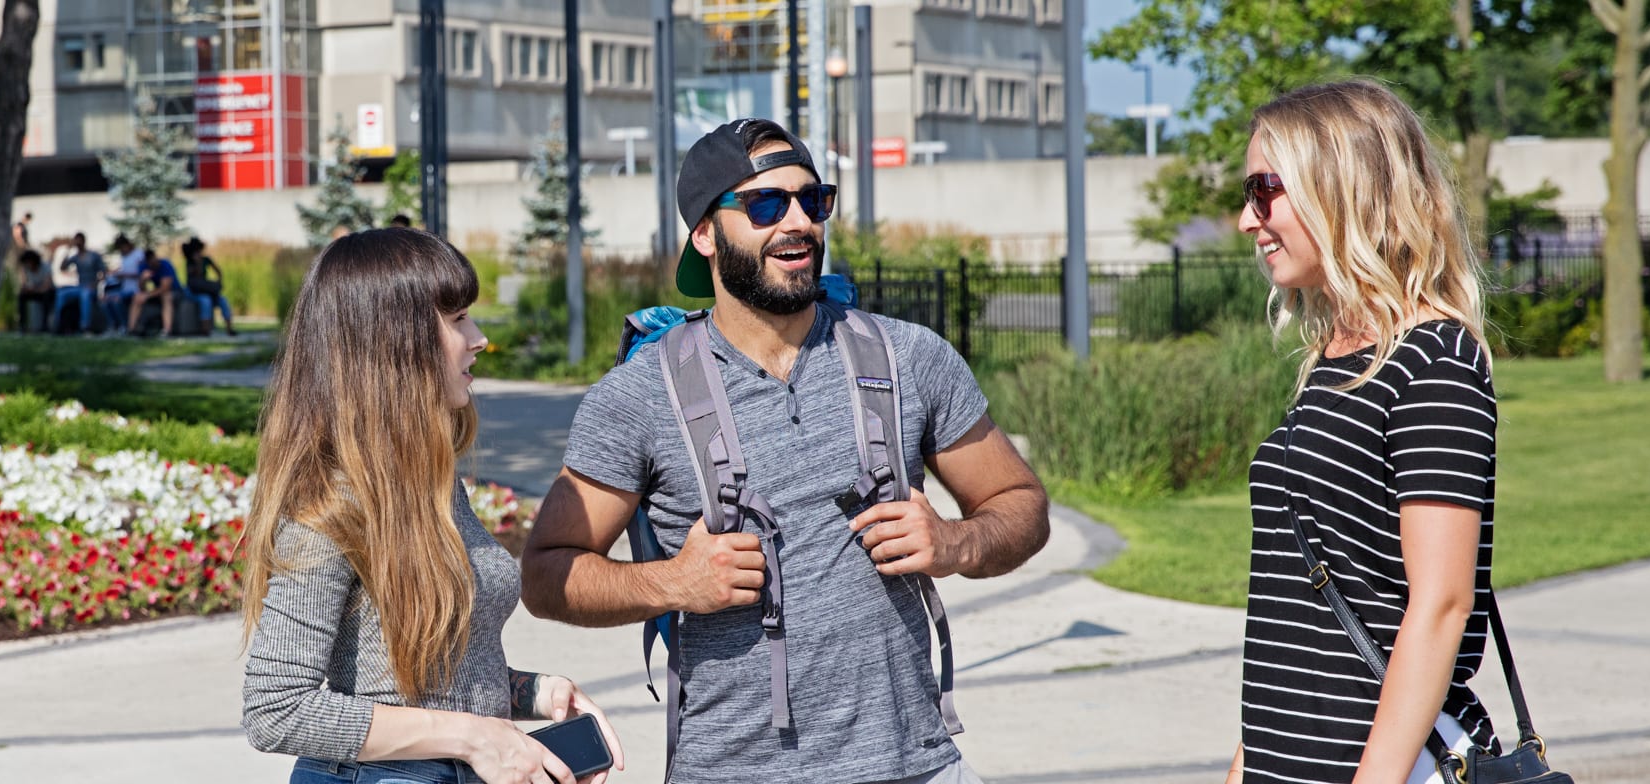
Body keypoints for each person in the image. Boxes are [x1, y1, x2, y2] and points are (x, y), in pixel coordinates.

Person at [519, 118, 1050, 784]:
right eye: (765, 205)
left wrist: (956, 543)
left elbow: (1020, 503)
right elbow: (545, 575)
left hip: (918, 764)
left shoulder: (909, 356)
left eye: (812, 200)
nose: (797, 221)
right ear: (706, 234)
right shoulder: (638, 398)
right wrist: (672, 583)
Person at [243, 228, 625, 784]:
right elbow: (275, 708)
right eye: (457, 319)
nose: (480, 338)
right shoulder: (330, 506)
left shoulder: (433, 483)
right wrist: (477, 738)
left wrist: (534, 693)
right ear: (392, 341)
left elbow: (418, 681)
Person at [1229, 80, 1503, 784]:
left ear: (1341, 188)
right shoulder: (1335, 357)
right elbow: (1300, 604)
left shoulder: (1433, 360)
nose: (1245, 220)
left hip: (1370, 765)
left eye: (1265, 191)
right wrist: (1245, 764)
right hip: (1285, 758)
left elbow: (1441, 604)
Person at [183, 236, 239, 336]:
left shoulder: (206, 259)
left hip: (206, 290)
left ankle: (229, 329)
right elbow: (195, 275)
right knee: (206, 301)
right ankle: (206, 330)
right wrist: (198, 263)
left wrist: (219, 282)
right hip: (194, 291)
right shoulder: (189, 261)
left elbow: (218, 271)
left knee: (223, 300)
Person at [127, 246, 184, 336]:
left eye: (154, 259)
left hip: (175, 292)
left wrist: (147, 295)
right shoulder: (144, 266)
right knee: (137, 296)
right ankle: (131, 330)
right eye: (150, 261)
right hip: (157, 293)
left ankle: (167, 331)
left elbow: (165, 288)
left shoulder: (165, 264)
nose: (153, 263)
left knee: (166, 297)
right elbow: (141, 288)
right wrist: (143, 279)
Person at [58, 233, 108, 334]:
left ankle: (85, 326)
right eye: (76, 241)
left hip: (91, 288)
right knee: (61, 294)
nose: (78, 243)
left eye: (79, 241)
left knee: (85, 294)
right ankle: (59, 324)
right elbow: (62, 268)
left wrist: (95, 284)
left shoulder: (94, 255)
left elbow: (104, 272)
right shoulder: (75, 257)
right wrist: (68, 250)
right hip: (79, 287)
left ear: (84, 241)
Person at [14, 249, 56, 333]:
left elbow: (47, 286)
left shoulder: (46, 267)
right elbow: (24, 284)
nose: (27, 265)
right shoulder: (26, 269)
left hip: (48, 293)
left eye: (28, 262)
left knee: (46, 296)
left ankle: (45, 326)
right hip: (35, 292)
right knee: (21, 296)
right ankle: (22, 326)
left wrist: (34, 289)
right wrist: (27, 288)